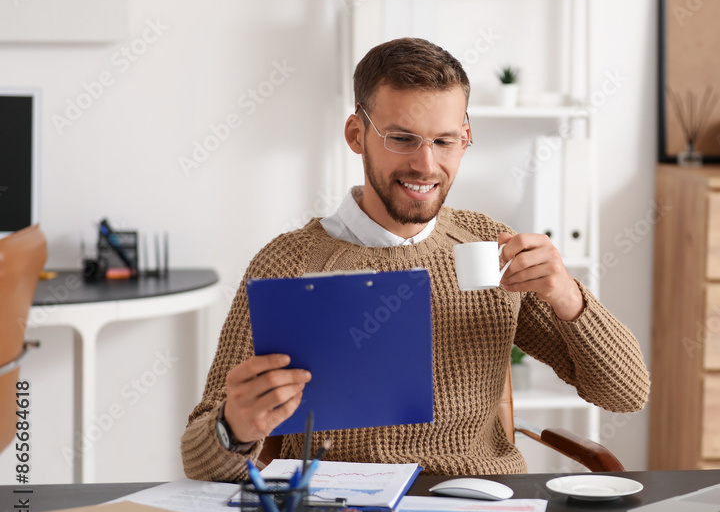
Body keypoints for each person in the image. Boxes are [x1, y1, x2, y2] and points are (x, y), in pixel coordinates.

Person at [182, 38, 649, 481]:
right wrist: (233, 426)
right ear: (356, 133)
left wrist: (568, 295)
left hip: (481, 509)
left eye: (444, 141)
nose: (426, 165)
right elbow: (200, 461)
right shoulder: (287, 263)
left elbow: (627, 393)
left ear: (466, 138)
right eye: (402, 138)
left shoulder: (486, 244)